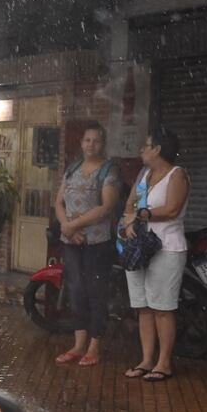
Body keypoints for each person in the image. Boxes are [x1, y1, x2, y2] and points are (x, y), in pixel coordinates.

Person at [122, 127, 189, 382]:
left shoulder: (177, 174)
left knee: (162, 308)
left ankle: (164, 363)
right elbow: (129, 204)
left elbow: (172, 209)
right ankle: (147, 360)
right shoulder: (144, 175)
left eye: (146, 145)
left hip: (166, 248)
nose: (142, 149)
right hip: (139, 247)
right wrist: (128, 224)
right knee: (144, 308)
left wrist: (141, 215)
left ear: (158, 149)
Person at [54, 122, 120, 367]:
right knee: (76, 291)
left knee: (96, 292)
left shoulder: (108, 171)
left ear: (103, 144)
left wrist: (74, 225)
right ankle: (78, 344)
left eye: (97, 140)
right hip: (71, 241)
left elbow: (106, 207)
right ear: (81, 143)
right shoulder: (72, 169)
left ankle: (94, 346)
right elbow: (59, 202)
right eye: (87, 140)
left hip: (96, 243)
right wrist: (66, 227)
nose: (91, 144)